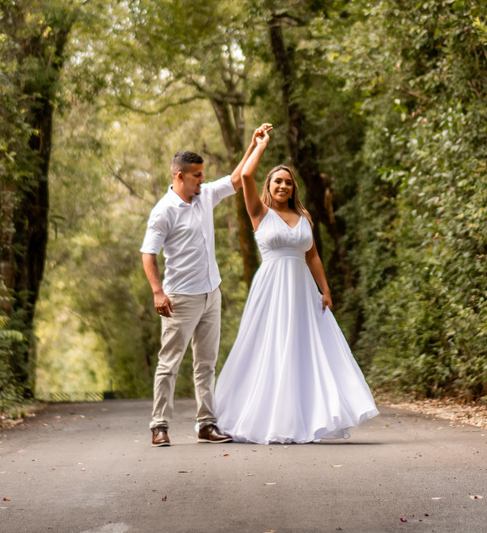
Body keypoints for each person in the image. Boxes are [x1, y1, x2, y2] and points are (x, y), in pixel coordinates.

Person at [214, 124, 378, 443]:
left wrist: (325, 289)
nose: (284, 186)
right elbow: (245, 177)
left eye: (289, 182)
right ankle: (266, 417)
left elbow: (313, 255)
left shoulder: (304, 217)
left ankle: (309, 415)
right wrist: (259, 145)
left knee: (307, 349)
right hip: (272, 290)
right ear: (269, 185)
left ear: (294, 188)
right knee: (269, 347)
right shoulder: (259, 213)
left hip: (303, 290)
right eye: (278, 181)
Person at [140, 126, 271, 447]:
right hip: (180, 299)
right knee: (169, 363)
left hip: (211, 294)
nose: (202, 179)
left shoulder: (205, 195)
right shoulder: (163, 212)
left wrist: (256, 146)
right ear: (179, 176)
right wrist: (158, 292)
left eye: (202, 175)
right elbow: (148, 254)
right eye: (197, 175)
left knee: (206, 364)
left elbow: (238, 179)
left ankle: (206, 423)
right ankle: (159, 425)